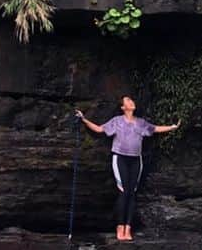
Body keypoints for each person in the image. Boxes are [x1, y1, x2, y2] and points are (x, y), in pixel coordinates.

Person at [75, 95, 180, 241]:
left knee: (131, 193)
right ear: (123, 108)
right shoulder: (117, 121)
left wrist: (172, 127)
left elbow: (155, 128)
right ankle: (120, 226)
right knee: (123, 191)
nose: (132, 102)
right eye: (128, 101)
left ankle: (128, 228)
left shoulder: (141, 123)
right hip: (120, 158)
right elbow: (99, 129)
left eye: (132, 100)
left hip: (136, 160)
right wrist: (84, 119)